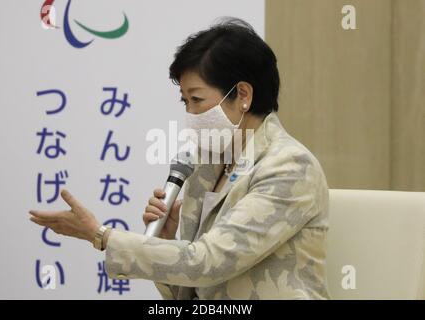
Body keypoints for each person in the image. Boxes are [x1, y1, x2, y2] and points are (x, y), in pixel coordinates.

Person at [29, 17, 330, 299]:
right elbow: (188, 291)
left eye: (197, 99)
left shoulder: (289, 166)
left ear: (243, 94)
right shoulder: (207, 163)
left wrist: (102, 235)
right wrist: (168, 239)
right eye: (185, 101)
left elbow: (207, 262)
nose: (190, 113)